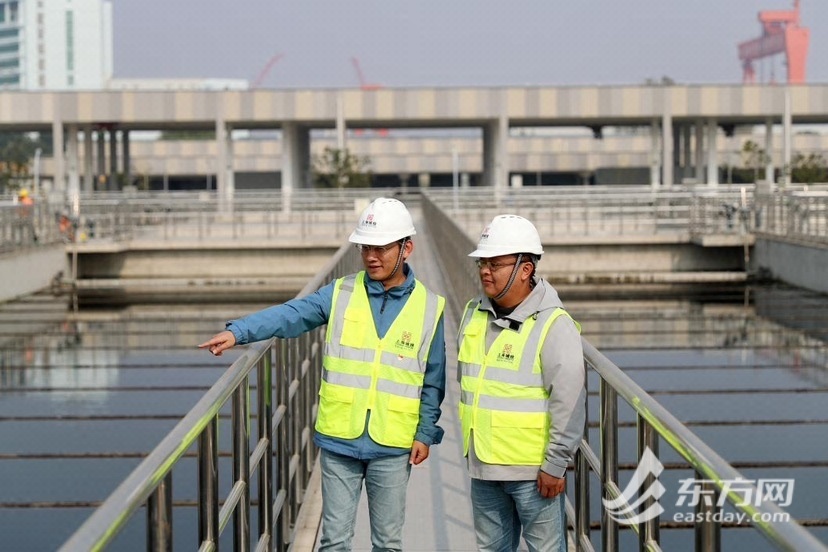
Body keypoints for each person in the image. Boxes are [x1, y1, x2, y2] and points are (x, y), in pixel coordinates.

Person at [199, 197, 446, 552]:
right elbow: (292, 314)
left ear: (407, 247)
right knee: (334, 542)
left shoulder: (430, 306)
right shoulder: (341, 293)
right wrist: (240, 331)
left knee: (388, 544)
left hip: (393, 442)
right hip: (339, 437)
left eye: (381, 248)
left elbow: (433, 379)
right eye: (365, 248)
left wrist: (425, 433)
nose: (371, 256)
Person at [457, 214, 585, 552]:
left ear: (525, 269)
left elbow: (569, 402)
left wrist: (556, 465)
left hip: (534, 475)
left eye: (495, 263)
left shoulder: (554, 325)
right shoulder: (473, 313)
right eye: (483, 262)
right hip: (484, 468)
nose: (485, 270)